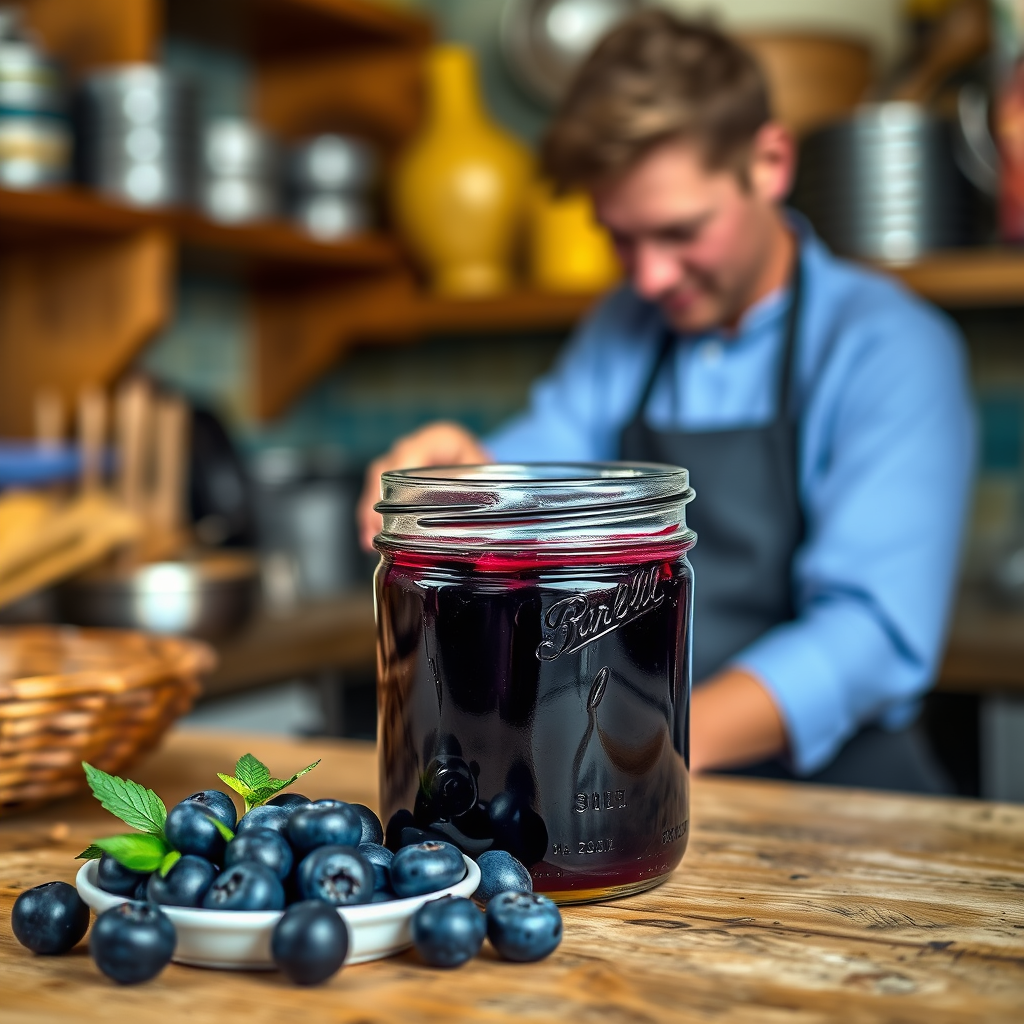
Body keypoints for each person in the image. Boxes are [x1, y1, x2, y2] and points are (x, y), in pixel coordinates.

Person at [357, 11, 976, 791]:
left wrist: (652, 751)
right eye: (621, 238)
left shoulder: (889, 345)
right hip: (627, 770)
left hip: (840, 799)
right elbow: (533, 480)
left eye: (681, 231)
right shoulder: (625, 326)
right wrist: (449, 486)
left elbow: (872, 634)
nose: (649, 278)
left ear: (769, 163)